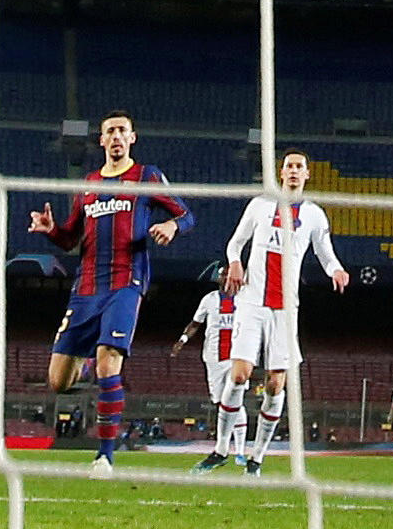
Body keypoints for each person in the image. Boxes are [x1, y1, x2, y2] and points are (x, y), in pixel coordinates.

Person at [31, 111, 192, 477]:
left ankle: (104, 457)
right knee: (58, 382)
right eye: (110, 132)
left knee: (109, 362)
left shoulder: (147, 177)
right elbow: (70, 239)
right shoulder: (89, 184)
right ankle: (87, 357)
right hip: (86, 288)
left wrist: (171, 225)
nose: (116, 136)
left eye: (122, 131)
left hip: (126, 283)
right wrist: (52, 230)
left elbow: (187, 215)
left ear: (132, 138)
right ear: (102, 140)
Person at [222, 149, 350, 473]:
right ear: (281, 173)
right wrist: (235, 262)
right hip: (251, 302)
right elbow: (235, 243)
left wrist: (336, 270)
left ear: (307, 174)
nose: (293, 171)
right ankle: (221, 448)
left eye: (299, 167)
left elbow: (325, 253)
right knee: (240, 374)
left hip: (285, 310)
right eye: (289, 166)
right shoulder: (260, 205)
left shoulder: (314, 215)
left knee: (276, 385)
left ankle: (256, 458)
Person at [173, 282, 243, 472]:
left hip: (237, 356)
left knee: (236, 396)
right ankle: (224, 450)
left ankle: (239, 451)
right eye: (223, 275)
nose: (227, 279)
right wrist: (182, 340)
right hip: (214, 358)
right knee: (221, 402)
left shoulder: (245, 298)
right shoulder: (209, 299)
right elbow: (195, 323)